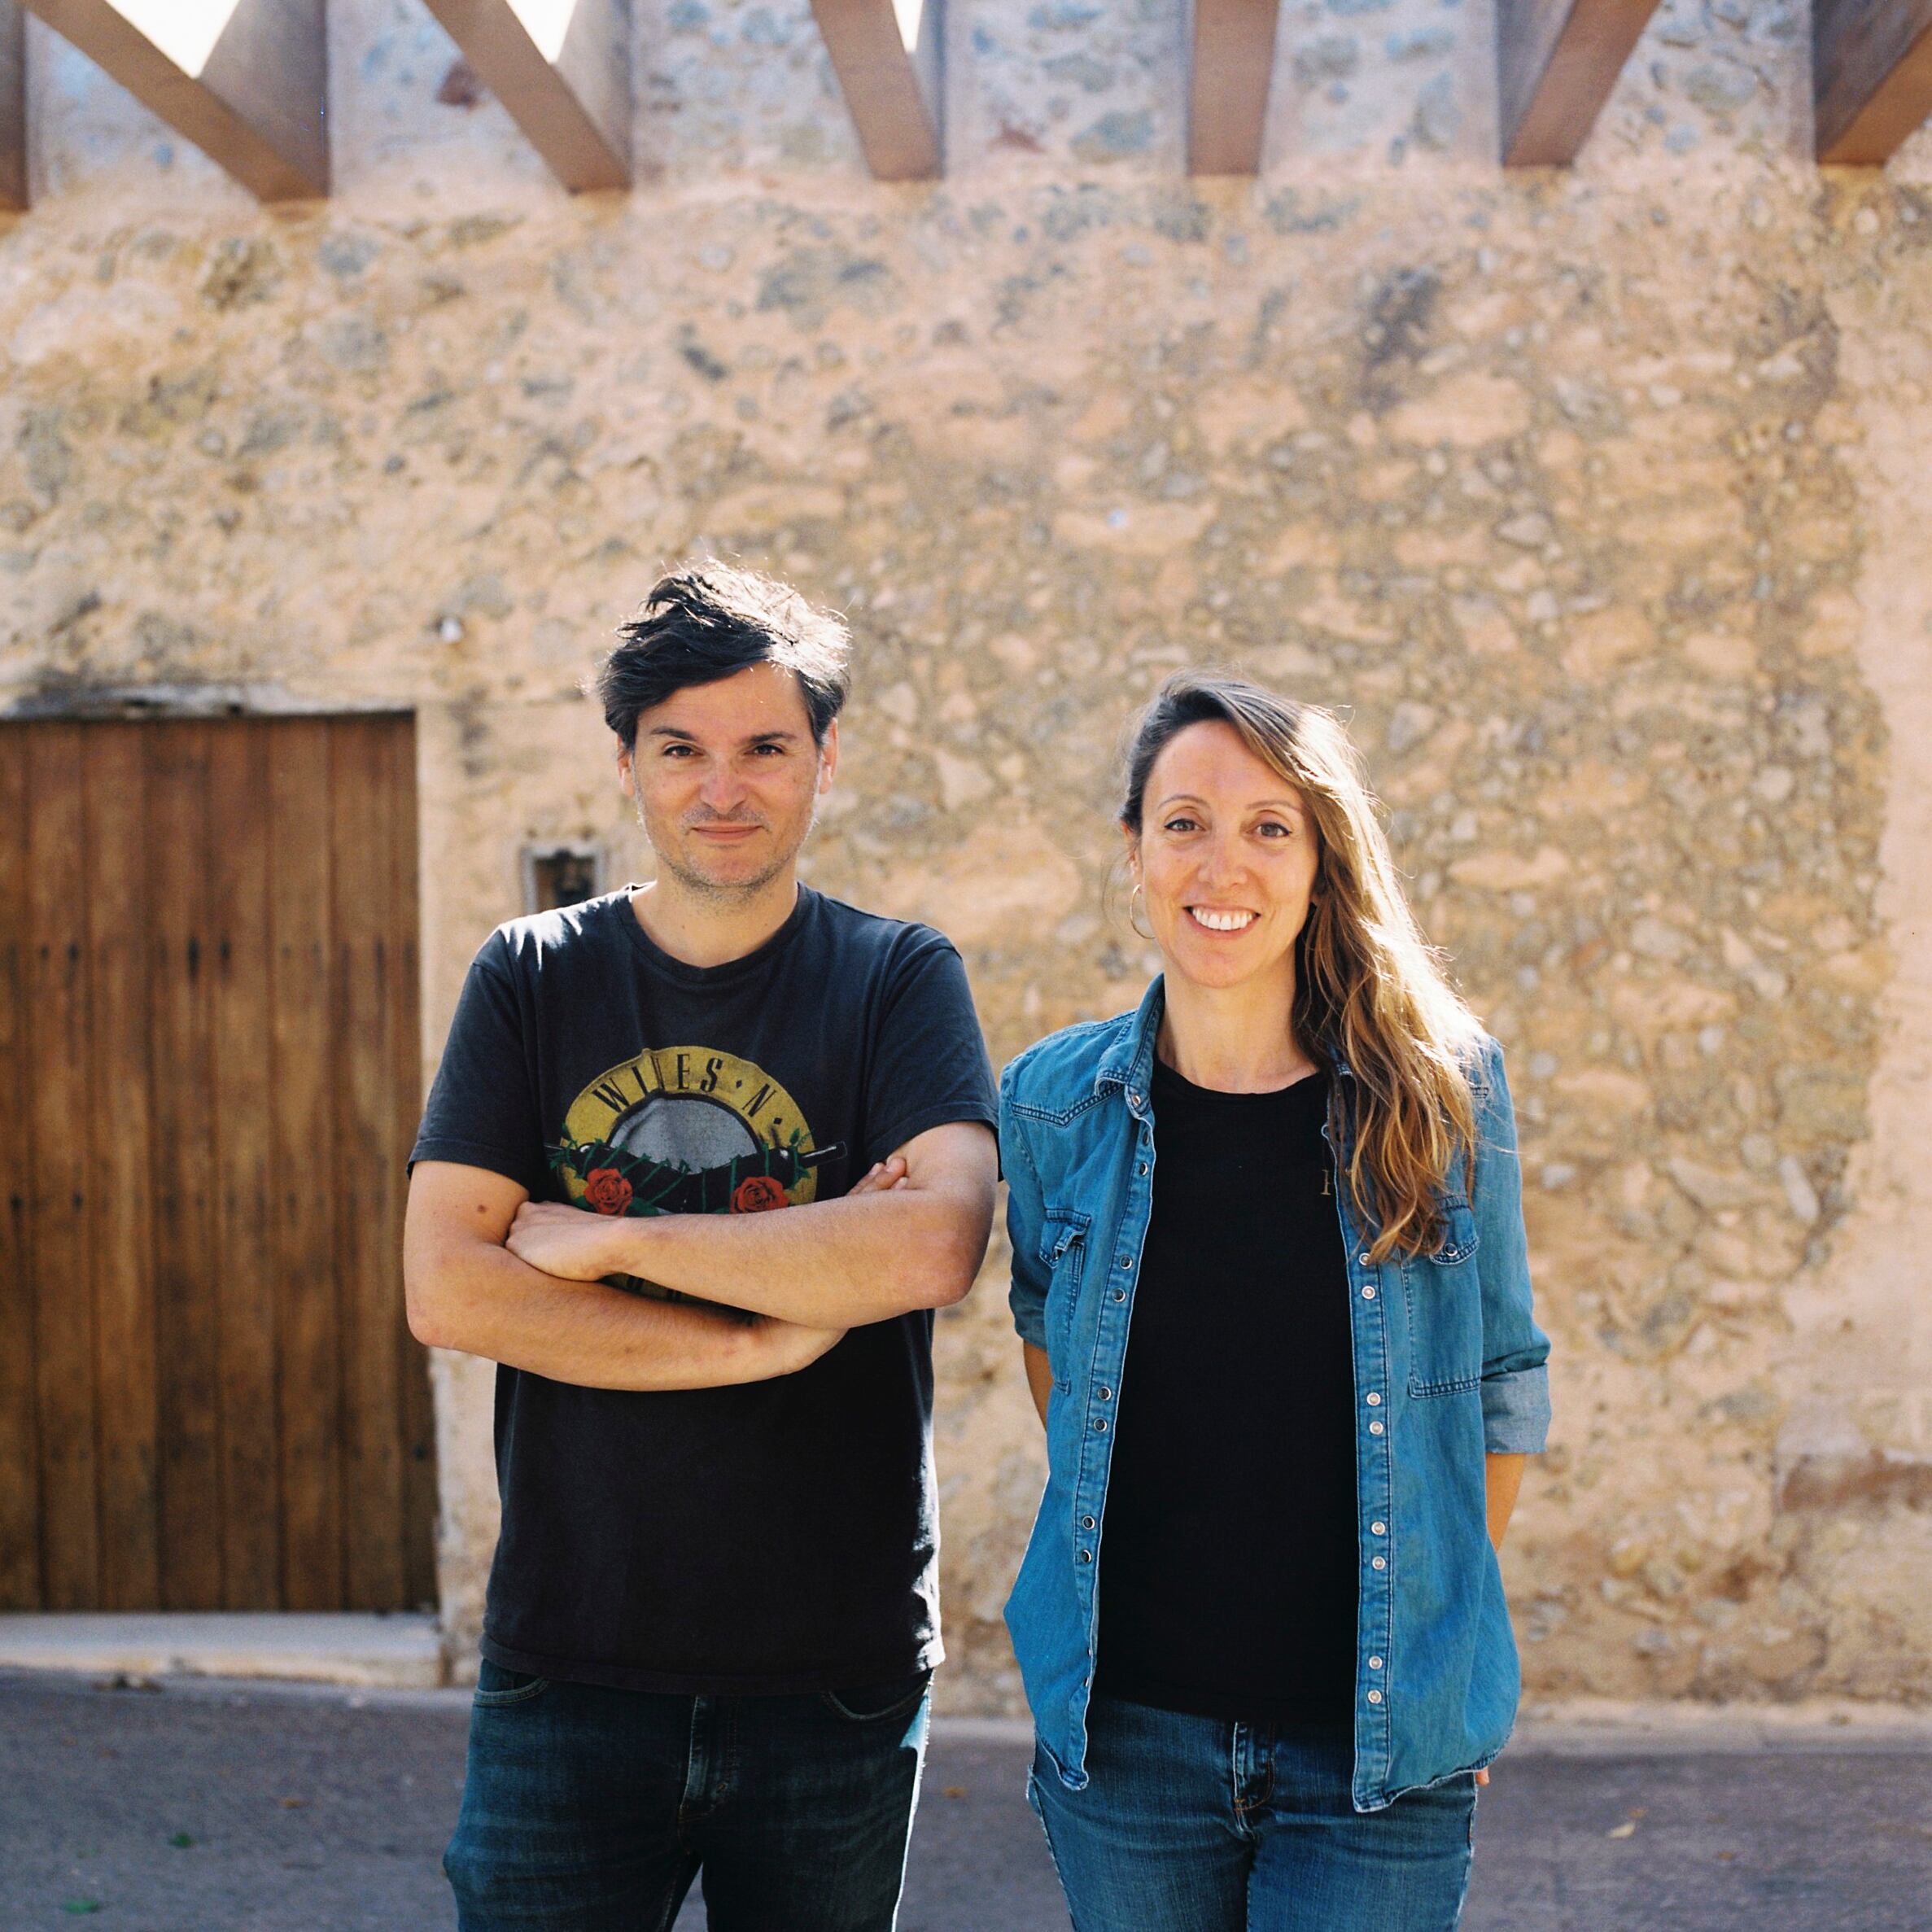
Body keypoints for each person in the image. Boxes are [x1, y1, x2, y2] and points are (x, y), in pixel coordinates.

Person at [404, 564, 999, 1932]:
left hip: (833, 1672)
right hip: (573, 1657)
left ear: (824, 759)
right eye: (681, 749)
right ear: (627, 764)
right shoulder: (533, 975)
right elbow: (449, 1285)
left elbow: (932, 1242)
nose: (722, 788)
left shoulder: (896, 977)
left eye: (764, 747)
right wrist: (770, 1333)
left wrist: (607, 1243)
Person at [998, 671, 1551, 1932]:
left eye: (1268, 826)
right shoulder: (1048, 1104)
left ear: (1318, 860)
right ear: (1132, 848)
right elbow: (1051, 1352)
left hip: (1370, 1755)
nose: (1221, 862)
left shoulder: (1442, 1090)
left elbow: (1504, 1390)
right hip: (1126, 1740)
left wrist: (1426, 1631)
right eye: (1184, 820)